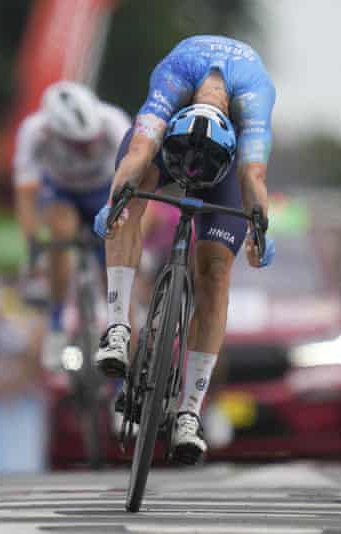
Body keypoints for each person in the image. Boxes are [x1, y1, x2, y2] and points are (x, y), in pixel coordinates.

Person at [92, 35, 276, 464]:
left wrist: (260, 231)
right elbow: (140, 150)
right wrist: (113, 204)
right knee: (129, 200)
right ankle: (117, 329)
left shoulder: (254, 100)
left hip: (225, 166)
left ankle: (190, 412)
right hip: (164, 145)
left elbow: (253, 178)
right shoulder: (174, 78)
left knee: (214, 272)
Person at [12, 81, 130, 368]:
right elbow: (26, 194)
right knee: (59, 233)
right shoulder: (34, 131)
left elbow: (137, 188)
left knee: (117, 274)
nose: (88, 149)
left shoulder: (113, 121)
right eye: (80, 145)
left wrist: (132, 234)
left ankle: (123, 362)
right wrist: (33, 242)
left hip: (105, 192)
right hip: (61, 192)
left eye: (92, 141)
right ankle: (56, 324)